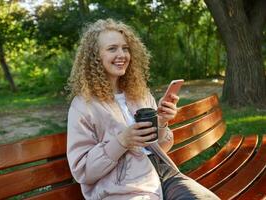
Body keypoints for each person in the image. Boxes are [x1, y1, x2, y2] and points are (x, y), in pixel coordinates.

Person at [66, 18, 220, 200]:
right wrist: (122, 141)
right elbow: (83, 171)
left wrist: (162, 122)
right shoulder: (84, 106)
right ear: (95, 57)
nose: (122, 54)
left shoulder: (139, 94)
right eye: (112, 48)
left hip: (164, 174)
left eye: (125, 48)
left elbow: (161, 147)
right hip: (124, 188)